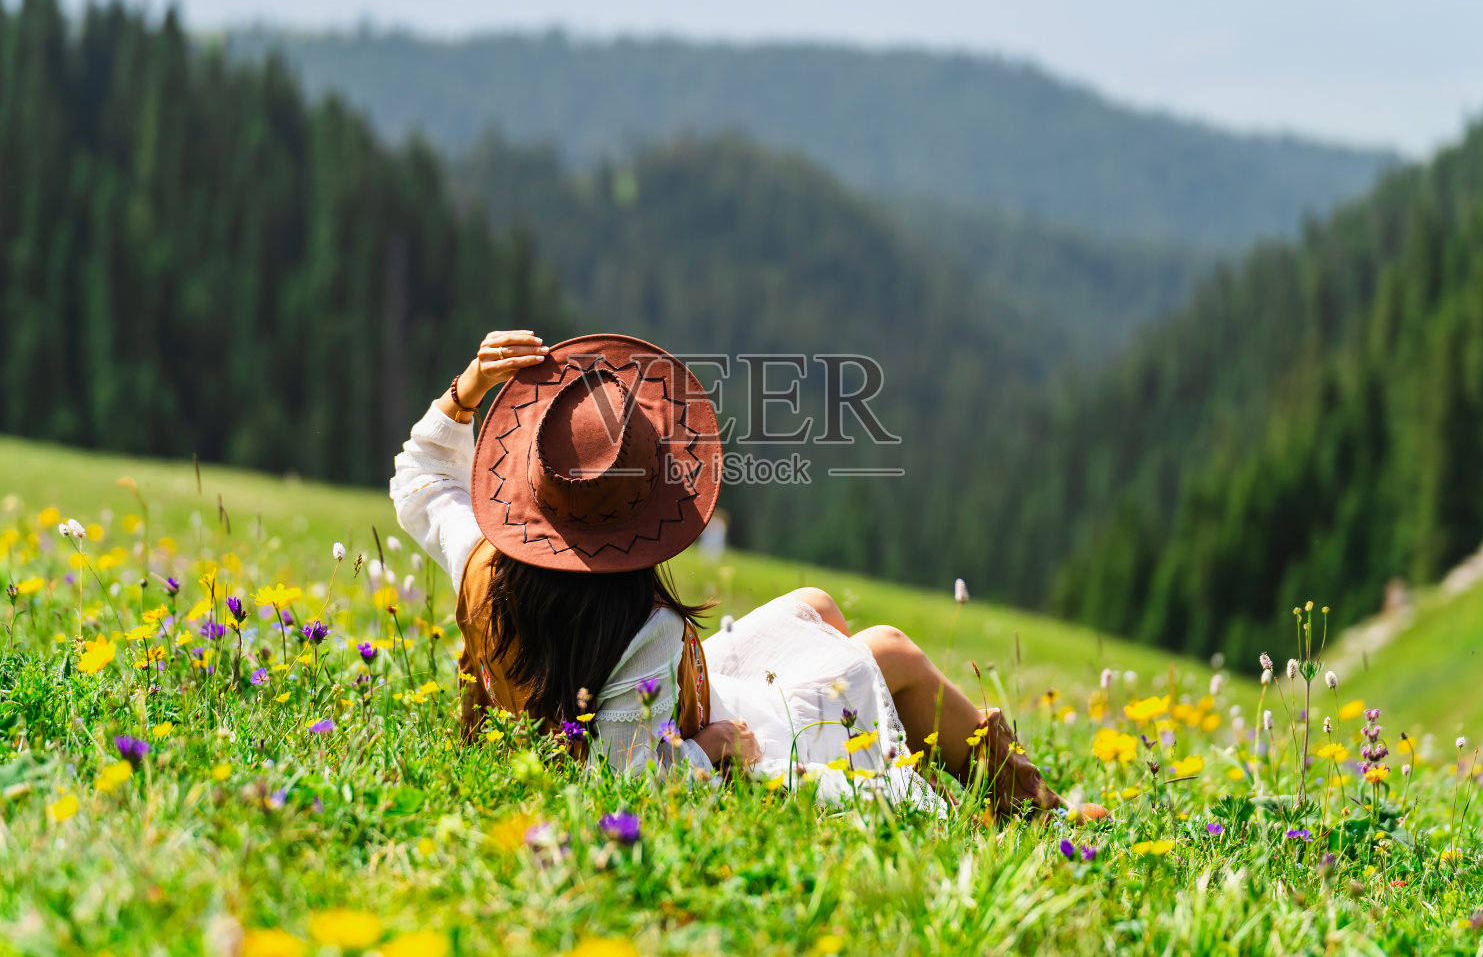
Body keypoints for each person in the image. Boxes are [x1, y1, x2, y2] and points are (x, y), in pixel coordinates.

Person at [391, 329, 1084, 821]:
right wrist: (711, 749)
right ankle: (1036, 810)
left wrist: (465, 391)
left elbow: (420, 480)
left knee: (815, 607)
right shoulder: (644, 631)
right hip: (721, 735)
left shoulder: (483, 560)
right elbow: (627, 783)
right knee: (891, 651)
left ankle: (939, 764)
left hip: (670, 702)